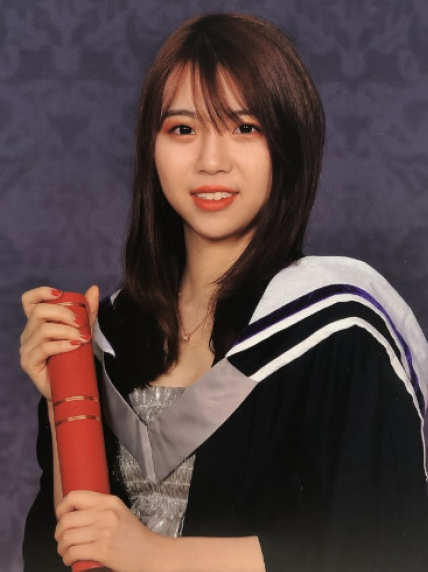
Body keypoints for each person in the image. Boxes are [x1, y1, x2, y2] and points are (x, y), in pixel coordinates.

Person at [20, 11, 428, 572]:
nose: (211, 162)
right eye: (183, 130)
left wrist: (154, 555)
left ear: (288, 144)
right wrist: (63, 404)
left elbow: (380, 547)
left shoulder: (340, 326)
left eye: (245, 128)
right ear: (151, 148)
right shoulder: (113, 330)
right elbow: (66, 551)